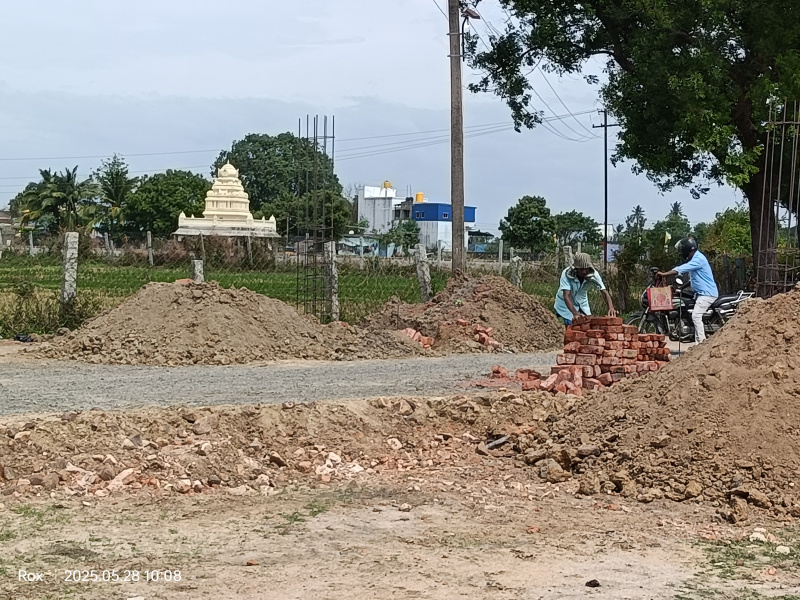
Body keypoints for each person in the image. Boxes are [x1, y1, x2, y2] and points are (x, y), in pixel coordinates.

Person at [657, 237, 718, 343]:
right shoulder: (696, 258)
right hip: (700, 294)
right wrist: (681, 288)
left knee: (696, 316)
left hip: (707, 294)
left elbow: (681, 268)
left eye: (682, 250)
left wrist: (663, 274)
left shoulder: (698, 259)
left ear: (687, 249)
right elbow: (693, 280)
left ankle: (701, 343)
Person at [554, 252, 617, 326]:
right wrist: (576, 314)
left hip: (582, 303)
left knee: (588, 325)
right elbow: (566, 296)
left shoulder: (594, 274)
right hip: (565, 305)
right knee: (572, 325)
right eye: (581, 269)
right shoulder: (566, 274)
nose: (584, 272)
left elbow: (604, 291)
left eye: (586, 269)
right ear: (576, 268)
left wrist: (611, 307)